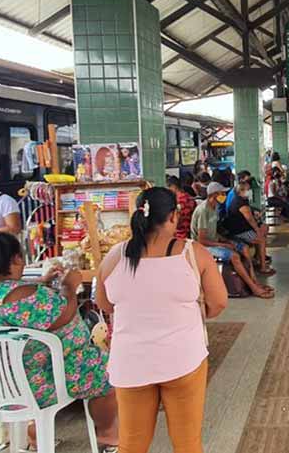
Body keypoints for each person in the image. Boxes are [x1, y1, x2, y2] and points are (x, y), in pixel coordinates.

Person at [0, 233, 118, 450]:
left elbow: (7, 296)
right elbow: (65, 314)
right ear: (15, 259)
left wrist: (41, 282)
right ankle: (107, 435)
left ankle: (34, 434)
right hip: (40, 382)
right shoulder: (20, 294)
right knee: (108, 368)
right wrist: (69, 287)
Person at [96, 188, 227, 453]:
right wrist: (191, 314)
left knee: (132, 444)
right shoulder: (193, 253)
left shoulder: (115, 256)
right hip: (183, 360)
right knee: (187, 443)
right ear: (173, 216)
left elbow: (104, 304)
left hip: (131, 363)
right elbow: (219, 302)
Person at [191, 183, 273, 298]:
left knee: (244, 248)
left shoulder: (215, 208)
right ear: (214, 195)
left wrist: (226, 241)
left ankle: (255, 281)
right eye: (222, 193)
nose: (224, 196)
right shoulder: (203, 211)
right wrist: (223, 245)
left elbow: (214, 232)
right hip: (204, 246)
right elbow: (201, 240)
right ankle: (253, 288)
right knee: (234, 256)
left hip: (214, 241)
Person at [223, 181, 275, 275]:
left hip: (243, 228)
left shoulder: (242, 200)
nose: (250, 191)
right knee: (261, 240)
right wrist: (257, 231)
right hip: (239, 230)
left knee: (264, 228)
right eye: (248, 190)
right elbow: (250, 219)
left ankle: (257, 258)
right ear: (241, 191)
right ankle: (263, 267)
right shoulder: (240, 203)